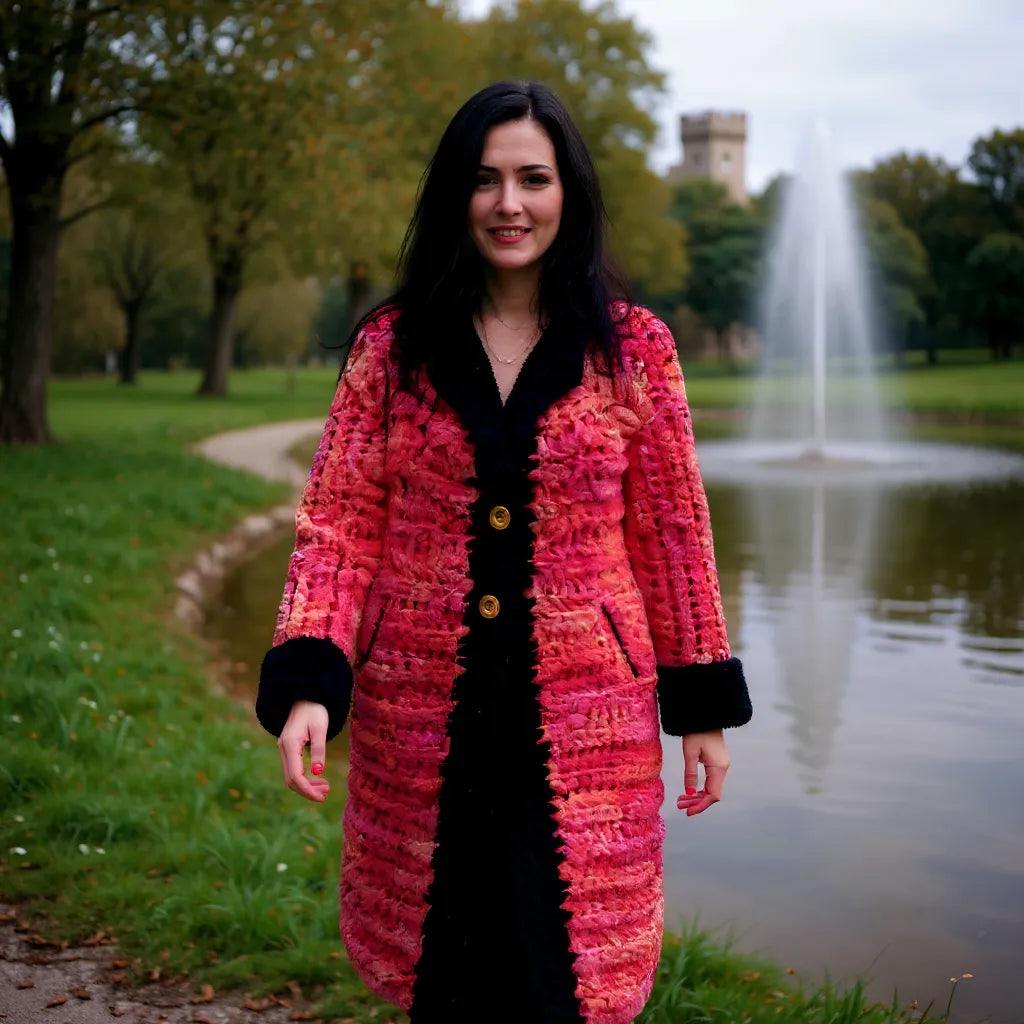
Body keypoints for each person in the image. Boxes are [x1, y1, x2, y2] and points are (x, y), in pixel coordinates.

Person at [255, 80, 752, 1024]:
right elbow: (339, 523)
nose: (509, 203)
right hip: (420, 714)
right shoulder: (391, 349)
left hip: (586, 717)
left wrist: (702, 709)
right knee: (439, 971)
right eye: (485, 179)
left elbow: (674, 538)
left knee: (566, 978)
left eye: (534, 178)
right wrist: (312, 675)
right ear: (457, 192)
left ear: (571, 192)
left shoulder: (635, 350)